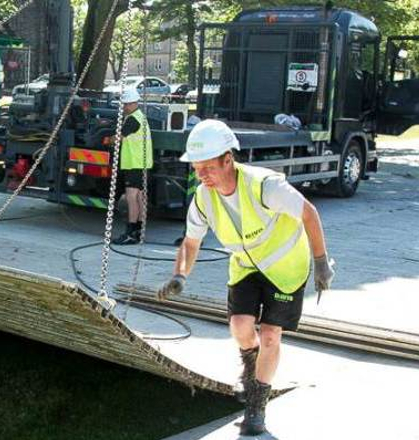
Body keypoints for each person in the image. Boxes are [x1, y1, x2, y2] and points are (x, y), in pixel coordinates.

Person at [157, 119, 335, 436]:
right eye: (196, 168)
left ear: (228, 159)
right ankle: (251, 368)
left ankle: (256, 407)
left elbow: (309, 212)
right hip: (246, 266)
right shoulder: (203, 197)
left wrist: (321, 263)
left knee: (270, 336)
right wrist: (180, 275)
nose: (201, 175)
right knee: (240, 327)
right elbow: (191, 242)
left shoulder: (265, 186)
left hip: (285, 268)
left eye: (207, 167)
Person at [113, 88, 153, 245]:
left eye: (125, 104)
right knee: (139, 197)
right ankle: (139, 230)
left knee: (131, 197)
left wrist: (107, 139)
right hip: (142, 163)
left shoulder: (133, 120)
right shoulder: (140, 117)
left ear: (131, 103)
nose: (123, 107)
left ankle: (130, 232)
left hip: (134, 164)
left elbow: (119, 137)